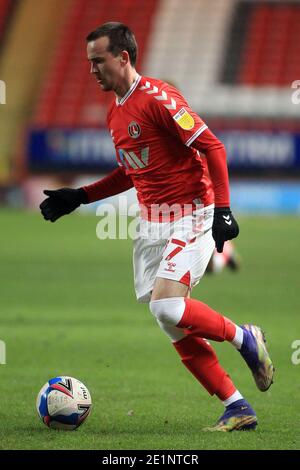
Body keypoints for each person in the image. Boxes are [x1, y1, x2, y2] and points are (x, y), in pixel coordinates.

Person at [40, 22, 274, 432]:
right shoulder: (115, 112)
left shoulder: (158, 99)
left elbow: (213, 146)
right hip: (153, 221)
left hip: (191, 211)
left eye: (98, 61)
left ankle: (244, 337)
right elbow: (131, 172)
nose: (92, 70)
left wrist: (223, 210)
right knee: (168, 319)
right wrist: (79, 196)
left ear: (123, 57)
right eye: (89, 63)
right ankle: (237, 407)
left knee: (166, 305)